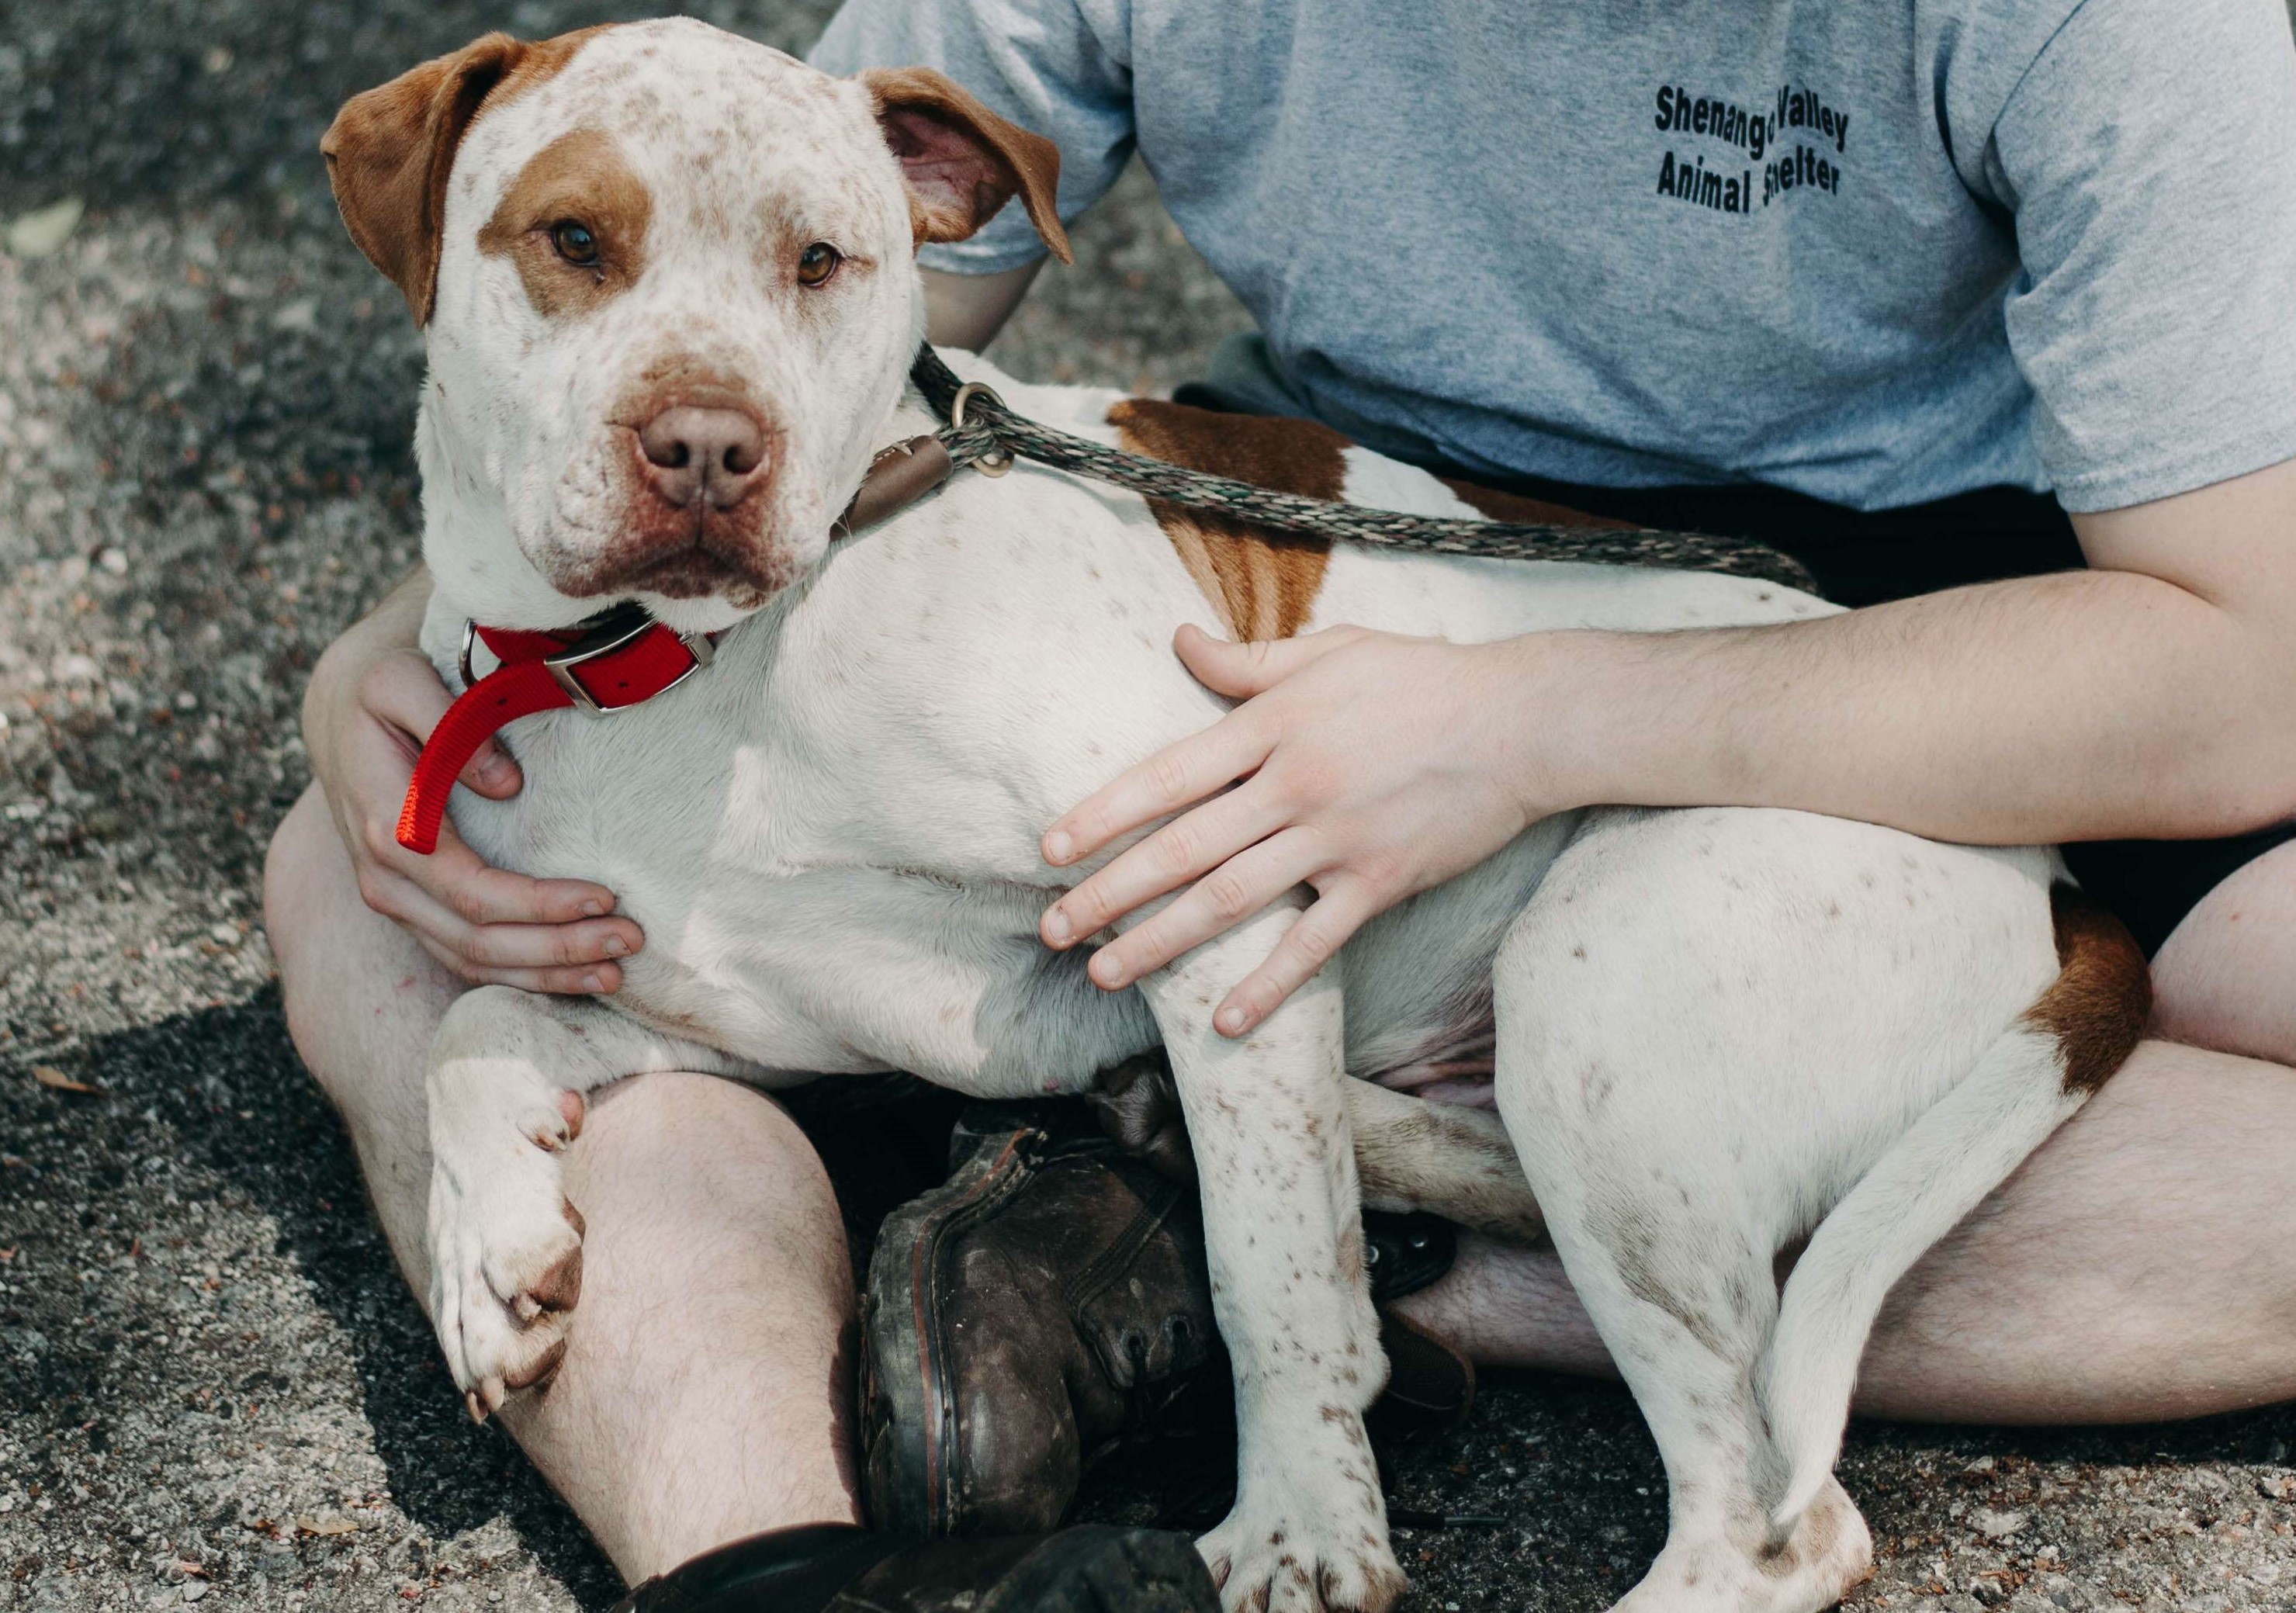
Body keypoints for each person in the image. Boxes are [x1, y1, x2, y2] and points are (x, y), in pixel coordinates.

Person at [263, 0, 2296, 1608]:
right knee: (374, 881)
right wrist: (427, 655)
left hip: (1999, 630)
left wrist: (1534, 729)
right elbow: (783, 304)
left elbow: (2244, 670)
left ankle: (1301, 1228)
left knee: (2175, 1019)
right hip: (1303, 521)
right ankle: (786, 1567)